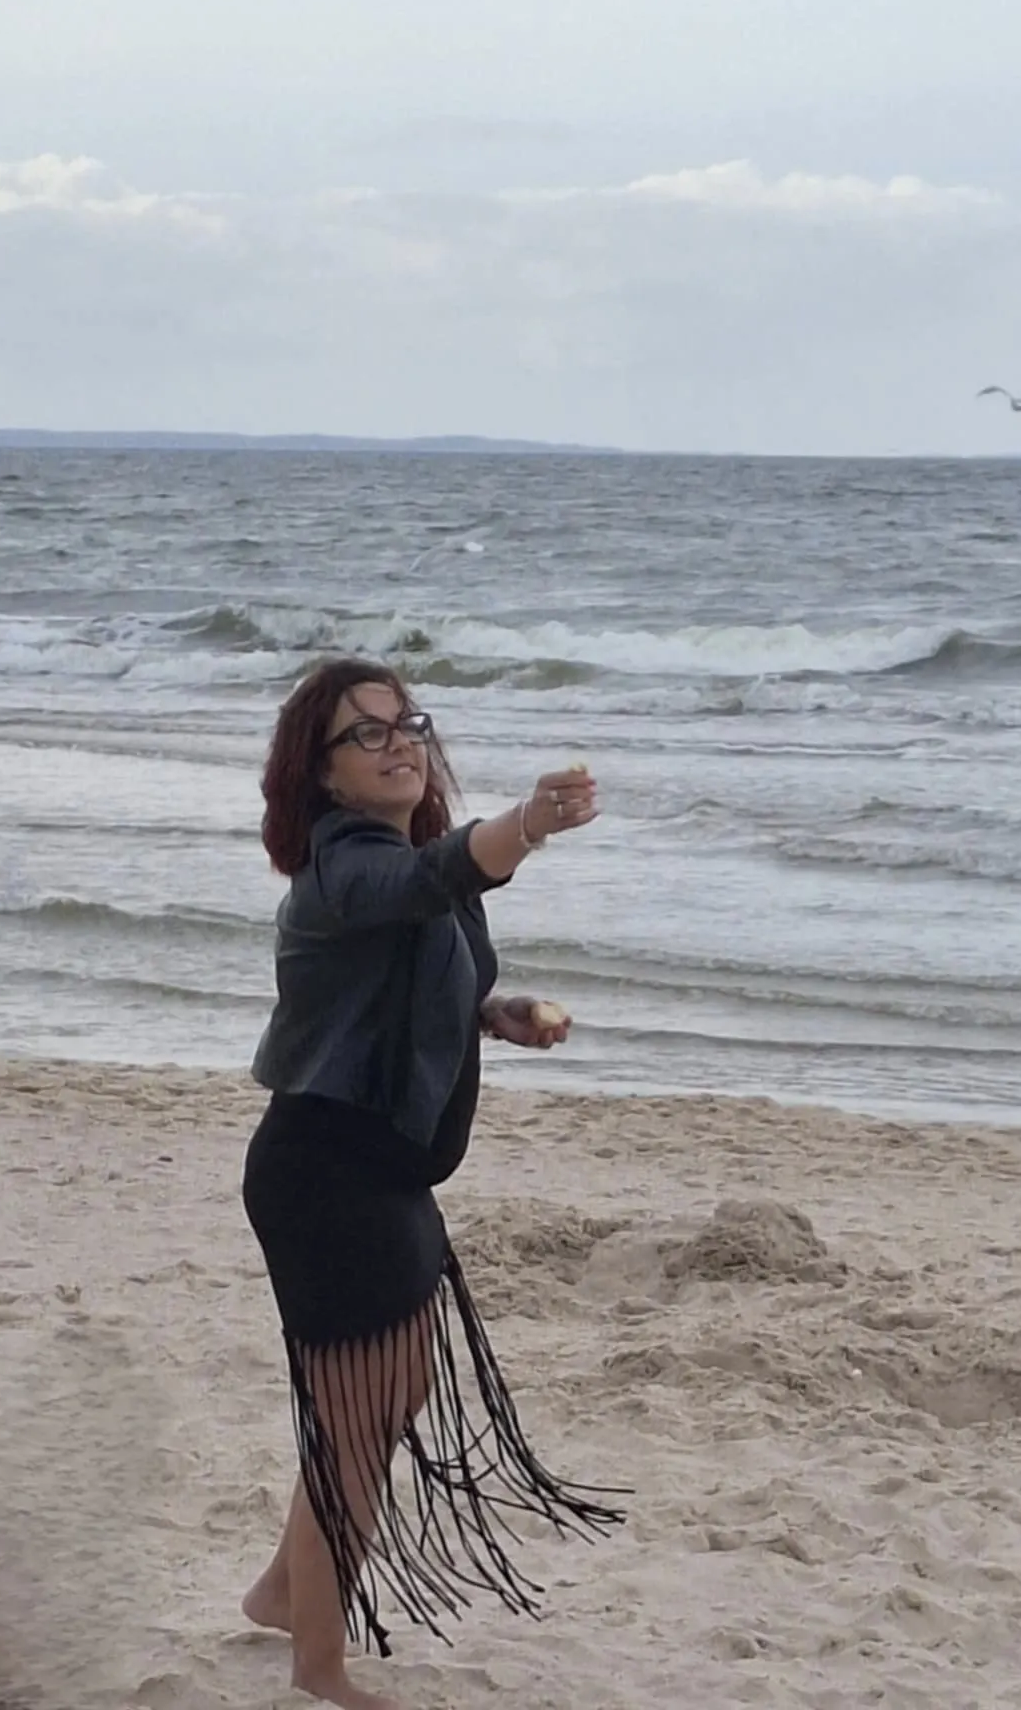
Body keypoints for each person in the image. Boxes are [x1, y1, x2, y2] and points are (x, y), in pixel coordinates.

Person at [239, 658, 622, 1710]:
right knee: (355, 1424)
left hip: (380, 1172)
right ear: (321, 774)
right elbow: (426, 885)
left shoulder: (406, 862)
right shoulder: (342, 871)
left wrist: (496, 1015)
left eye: (406, 721)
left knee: (384, 1394)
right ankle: (319, 1668)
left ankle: (281, 1592)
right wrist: (530, 823)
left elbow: (409, 972)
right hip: (327, 1177)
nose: (400, 741)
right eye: (366, 732)